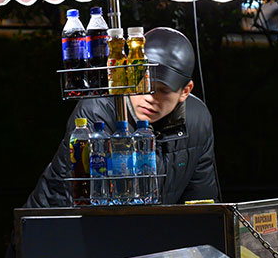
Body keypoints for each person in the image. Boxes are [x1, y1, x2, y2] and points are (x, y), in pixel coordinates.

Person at [20, 26, 219, 209]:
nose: (149, 97)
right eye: (142, 83)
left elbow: (202, 200)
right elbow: (82, 200)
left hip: (149, 229)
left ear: (185, 91)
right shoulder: (96, 112)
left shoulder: (198, 119)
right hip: (53, 224)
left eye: (163, 91)